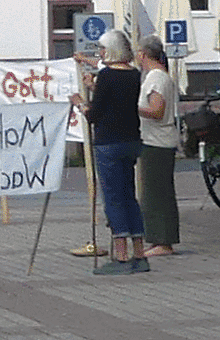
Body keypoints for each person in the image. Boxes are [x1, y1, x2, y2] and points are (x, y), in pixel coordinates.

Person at [70, 29, 147, 275]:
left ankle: (121, 256)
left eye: (103, 49)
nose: (101, 54)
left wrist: (80, 103)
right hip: (131, 139)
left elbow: (94, 114)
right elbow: (117, 101)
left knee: (113, 198)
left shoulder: (106, 76)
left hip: (109, 142)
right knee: (129, 196)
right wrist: (95, 86)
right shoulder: (134, 74)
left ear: (111, 50)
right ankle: (139, 252)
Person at [136, 35, 179, 258]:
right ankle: (157, 239)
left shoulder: (157, 78)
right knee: (153, 191)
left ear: (143, 54)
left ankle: (164, 240)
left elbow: (157, 111)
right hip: (153, 140)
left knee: (158, 192)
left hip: (158, 141)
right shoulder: (155, 76)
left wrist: (132, 108)